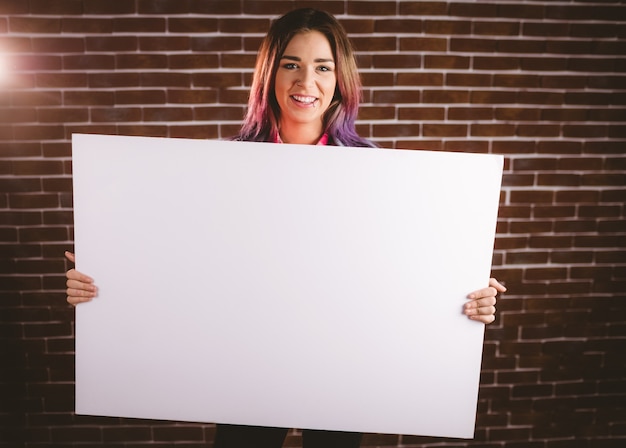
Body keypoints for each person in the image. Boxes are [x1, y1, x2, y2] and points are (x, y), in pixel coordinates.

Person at [65, 8, 506, 448]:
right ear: (269, 74)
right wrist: (106, 276)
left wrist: (463, 293)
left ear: (340, 80)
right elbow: (180, 261)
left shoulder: (377, 173)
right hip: (248, 362)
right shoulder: (218, 169)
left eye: (322, 67)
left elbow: (405, 267)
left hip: (343, 363)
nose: (305, 82)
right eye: (290, 64)